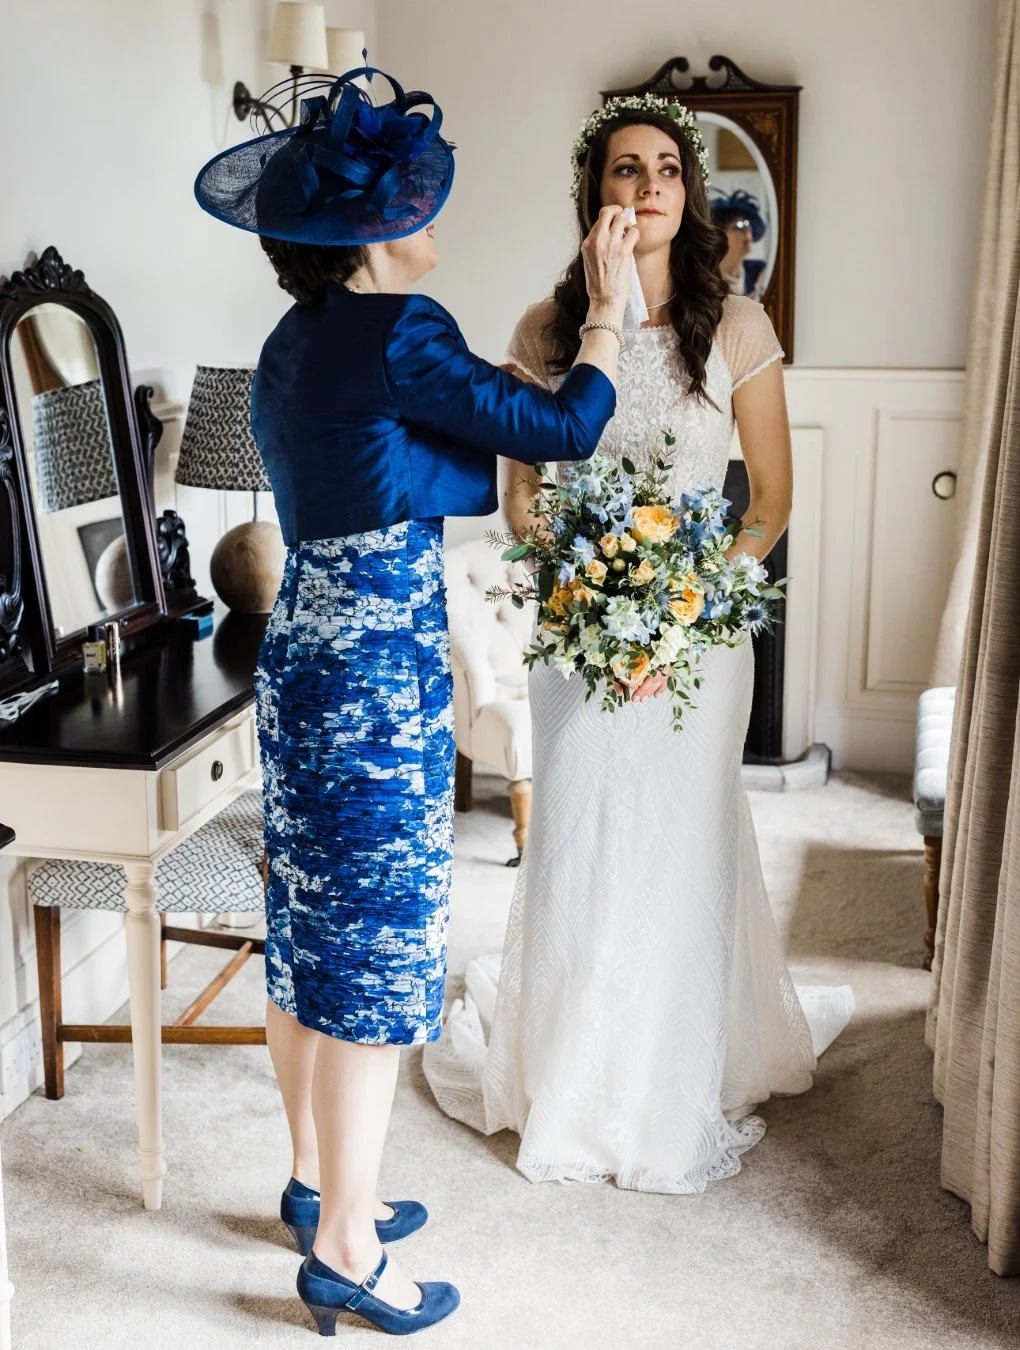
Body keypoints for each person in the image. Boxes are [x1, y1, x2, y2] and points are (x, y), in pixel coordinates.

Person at [193, 64, 635, 1333]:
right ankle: (344, 1249)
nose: (431, 212)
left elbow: (428, 437)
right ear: (377, 229)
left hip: (303, 657)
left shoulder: (293, 346)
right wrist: (605, 310)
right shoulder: (405, 330)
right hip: (377, 672)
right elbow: (564, 427)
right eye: (413, 197)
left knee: (308, 936)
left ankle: (312, 1181)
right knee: (380, 959)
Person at [423, 96, 853, 1194]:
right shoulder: (544, 328)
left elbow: (771, 499)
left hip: (699, 638)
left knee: (681, 839)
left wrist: (684, 610)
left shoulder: (740, 327)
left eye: (667, 169)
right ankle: (573, 1069)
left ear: (689, 196)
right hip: (579, 632)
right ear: (595, 196)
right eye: (626, 169)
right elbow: (521, 501)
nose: (648, 186)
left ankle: (677, 1064)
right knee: (582, 837)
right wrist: (584, 584)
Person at [711, 189, 768, 299]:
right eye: (739, 226)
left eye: (748, 225)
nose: (748, 232)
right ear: (720, 234)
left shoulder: (759, 272)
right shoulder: (705, 278)